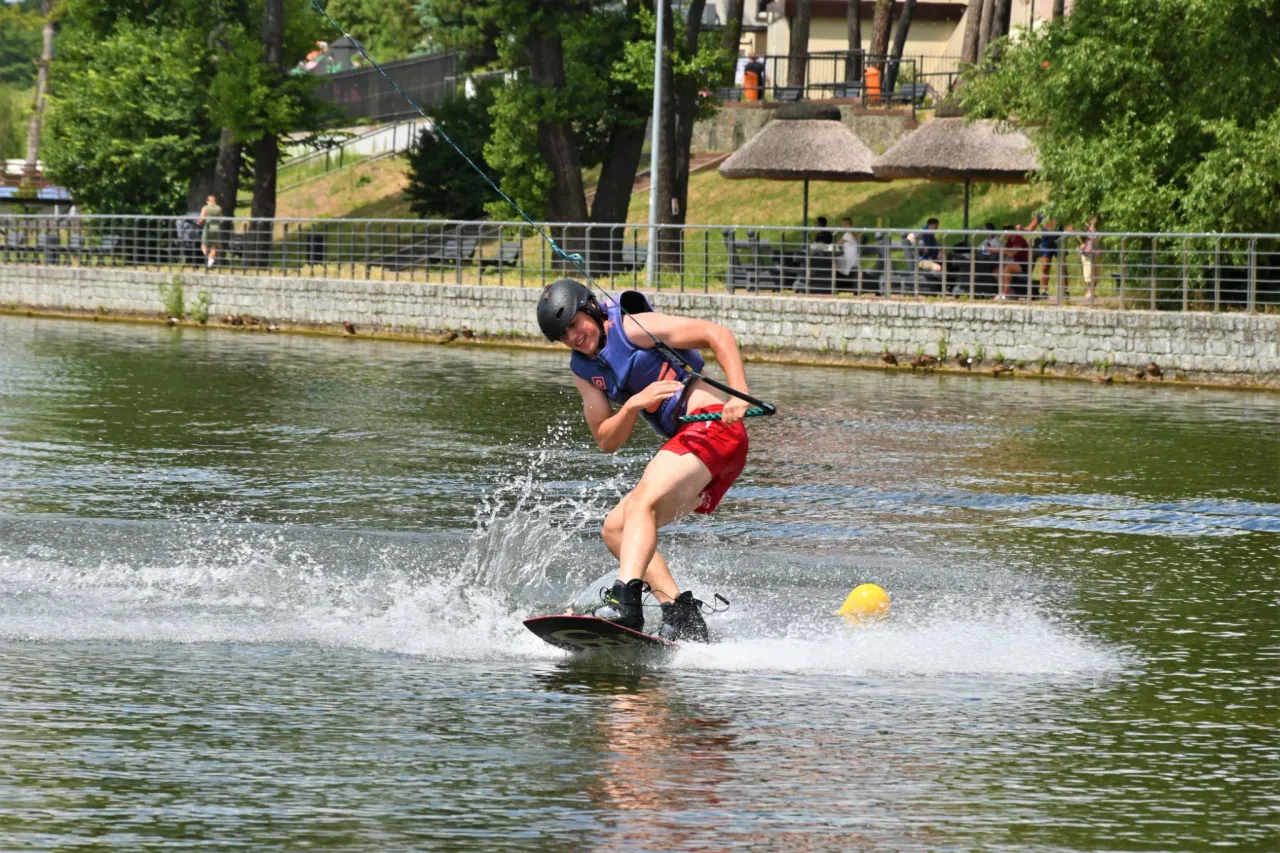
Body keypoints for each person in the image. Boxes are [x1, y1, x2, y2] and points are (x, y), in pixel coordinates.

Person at [536, 279, 753, 642]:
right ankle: (681, 615)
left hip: (715, 428)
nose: (573, 336)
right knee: (616, 529)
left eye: (575, 324)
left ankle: (626, 603)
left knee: (640, 505)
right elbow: (607, 439)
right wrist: (635, 405)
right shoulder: (585, 370)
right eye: (564, 334)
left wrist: (740, 394)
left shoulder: (634, 327)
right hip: (694, 448)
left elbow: (718, 334)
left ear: (591, 309)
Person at [1021, 211, 1059, 299]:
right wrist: (1023, 228)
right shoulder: (1041, 213)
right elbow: (1031, 228)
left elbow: (1068, 226)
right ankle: (1045, 291)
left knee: (1063, 266)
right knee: (1045, 266)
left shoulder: (1060, 212)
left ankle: (1065, 290)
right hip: (1046, 243)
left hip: (1059, 241)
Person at [998, 224, 1029, 299]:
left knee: (1007, 268)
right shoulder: (1009, 242)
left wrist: (1001, 251)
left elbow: (1011, 254)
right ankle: (1005, 291)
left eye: (1005, 233)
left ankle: (1005, 293)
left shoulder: (1018, 239)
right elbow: (1006, 252)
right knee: (998, 270)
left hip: (1023, 264)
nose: (1004, 235)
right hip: (1015, 263)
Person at [1074, 215, 1100, 301]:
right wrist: (1080, 245)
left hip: (1096, 252)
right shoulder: (1083, 227)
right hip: (1087, 253)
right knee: (1088, 272)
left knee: (1097, 274)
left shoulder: (1098, 227)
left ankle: (1091, 292)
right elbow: (1078, 238)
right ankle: (1089, 291)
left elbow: (1097, 238)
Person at [196, 194, 223, 270]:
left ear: (207, 201)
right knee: (214, 246)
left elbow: (202, 218)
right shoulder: (219, 208)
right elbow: (221, 219)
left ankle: (207, 258)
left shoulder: (205, 207)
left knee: (203, 244)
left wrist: (197, 223)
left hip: (208, 227)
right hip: (216, 227)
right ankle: (211, 261)